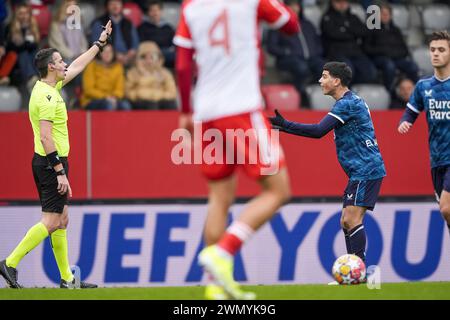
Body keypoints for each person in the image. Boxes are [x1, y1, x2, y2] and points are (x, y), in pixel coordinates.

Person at [174, 0, 298, 300]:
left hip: (206, 111)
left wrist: (186, 111)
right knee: (279, 190)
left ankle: (215, 287)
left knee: (219, 198)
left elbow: (181, 64)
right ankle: (224, 251)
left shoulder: (191, 6)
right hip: (241, 107)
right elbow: (290, 26)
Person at [0, 20, 113, 289]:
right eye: (60, 61)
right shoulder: (46, 97)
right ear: (51, 66)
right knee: (51, 221)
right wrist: (60, 171)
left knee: (62, 220)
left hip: (52, 162)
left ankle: (66, 278)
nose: (65, 64)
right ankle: (10, 263)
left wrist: (99, 43)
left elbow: (78, 66)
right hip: (51, 164)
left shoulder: (50, 87)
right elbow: (45, 136)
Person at [270, 62, 386, 271]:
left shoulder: (346, 104)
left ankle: (358, 272)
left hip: (366, 169)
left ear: (337, 80)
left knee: (351, 219)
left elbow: (317, 131)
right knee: (346, 221)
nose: (320, 81)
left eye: (324, 77)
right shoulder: (350, 101)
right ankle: (355, 271)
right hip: (362, 169)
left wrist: (284, 125)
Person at [398, 31, 450, 241]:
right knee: (446, 214)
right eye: (433, 50)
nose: (436, 54)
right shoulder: (423, 86)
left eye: (441, 50)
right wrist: (406, 121)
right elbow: (412, 109)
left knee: (447, 208)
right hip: (436, 159)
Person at [266, 0, 325, 100]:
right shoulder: (278, 24)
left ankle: (312, 94)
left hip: (311, 58)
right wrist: (286, 52)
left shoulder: (307, 24)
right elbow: (271, 47)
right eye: (290, 5)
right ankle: (300, 95)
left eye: (296, 5)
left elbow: (318, 42)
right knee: (301, 68)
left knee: (325, 69)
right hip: (288, 59)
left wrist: (317, 52)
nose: (294, 8)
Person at [364, 1, 419, 91]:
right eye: (382, 13)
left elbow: (405, 49)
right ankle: (389, 91)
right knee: (389, 66)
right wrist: (383, 51)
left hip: (396, 58)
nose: (385, 16)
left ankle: (416, 92)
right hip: (379, 58)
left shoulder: (396, 30)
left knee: (412, 66)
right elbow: (366, 49)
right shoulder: (371, 28)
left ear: (391, 15)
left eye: (387, 14)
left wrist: (393, 53)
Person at [320, 0, 377, 84]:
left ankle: (355, 88)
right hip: (336, 53)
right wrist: (352, 32)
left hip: (355, 52)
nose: (342, 4)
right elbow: (333, 34)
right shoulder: (327, 17)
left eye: (345, 2)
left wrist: (345, 29)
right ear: (332, 3)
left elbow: (363, 32)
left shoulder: (353, 17)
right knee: (348, 71)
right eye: (339, 2)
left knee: (371, 72)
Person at [125, 41, 176, 110]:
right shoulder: (133, 73)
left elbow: (172, 91)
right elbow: (128, 91)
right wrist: (138, 94)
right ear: (139, 58)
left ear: (158, 57)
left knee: (171, 104)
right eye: (144, 57)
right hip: (141, 101)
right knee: (151, 104)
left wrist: (157, 96)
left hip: (160, 99)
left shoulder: (164, 73)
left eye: (152, 57)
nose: (148, 60)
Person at [81, 43, 130, 110]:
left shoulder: (118, 67)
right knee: (108, 105)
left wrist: (114, 97)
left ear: (113, 53)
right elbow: (89, 90)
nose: (107, 54)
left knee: (125, 105)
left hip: (113, 99)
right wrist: (106, 97)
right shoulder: (91, 66)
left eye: (110, 51)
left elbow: (120, 89)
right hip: (92, 100)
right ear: (99, 53)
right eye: (104, 51)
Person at [90, 0, 139, 67]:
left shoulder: (128, 22)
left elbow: (135, 42)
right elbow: (96, 44)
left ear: (122, 5)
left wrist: (130, 54)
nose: (115, 6)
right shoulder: (99, 23)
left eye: (118, 3)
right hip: (109, 58)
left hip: (128, 58)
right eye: (112, 4)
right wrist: (116, 55)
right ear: (107, 6)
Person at [6, 3, 40, 91]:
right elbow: (13, 48)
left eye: (26, 13)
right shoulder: (11, 27)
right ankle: (31, 78)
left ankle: (38, 77)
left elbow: (34, 45)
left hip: (30, 57)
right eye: (21, 13)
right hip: (16, 59)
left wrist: (26, 32)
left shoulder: (32, 26)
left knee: (36, 52)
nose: (24, 16)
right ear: (16, 15)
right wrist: (26, 43)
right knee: (23, 53)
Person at [138, 0, 176, 68]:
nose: (155, 13)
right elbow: (143, 45)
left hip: (168, 54)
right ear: (148, 13)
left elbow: (174, 43)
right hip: (150, 54)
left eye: (157, 10)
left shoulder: (168, 27)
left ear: (161, 12)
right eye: (152, 11)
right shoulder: (142, 27)